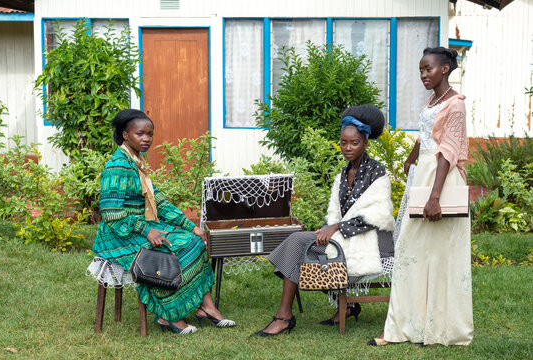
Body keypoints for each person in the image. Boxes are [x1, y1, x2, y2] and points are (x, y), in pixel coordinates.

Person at [251, 105, 395, 337]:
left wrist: (336, 227)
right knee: (300, 243)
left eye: (354, 143)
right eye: (343, 142)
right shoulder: (343, 173)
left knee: (300, 244)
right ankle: (313, 311)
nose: (347, 148)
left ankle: (284, 317)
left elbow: (377, 216)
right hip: (346, 237)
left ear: (365, 143)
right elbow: (337, 213)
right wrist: (330, 225)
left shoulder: (376, 172)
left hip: (375, 241)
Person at [92, 109, 235, 335]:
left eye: (150, 134)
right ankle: (169, 314)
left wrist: (193, 227)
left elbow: (159, 202)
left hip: (136, 227)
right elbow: (110, 212)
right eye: (140, 133)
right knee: (173, 248)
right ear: (125, 135)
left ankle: (205, 307)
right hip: (117, 235)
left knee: (195, 241)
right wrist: (147, 230)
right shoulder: (118, 165)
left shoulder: (136, 162)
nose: (146, 138)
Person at [368, 47, 473, 346]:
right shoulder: (433, 100)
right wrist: (412, 156)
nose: (423, 74)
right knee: (411, 253)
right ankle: (405, 327)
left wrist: (434, 197)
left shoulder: (456, 105)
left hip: (440, 180)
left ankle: (442, 330)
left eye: (428, 69)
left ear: (445, 69)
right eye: (420, 70)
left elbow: (448, 152)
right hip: (424, 175)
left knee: (442, 256)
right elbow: (426, 134)